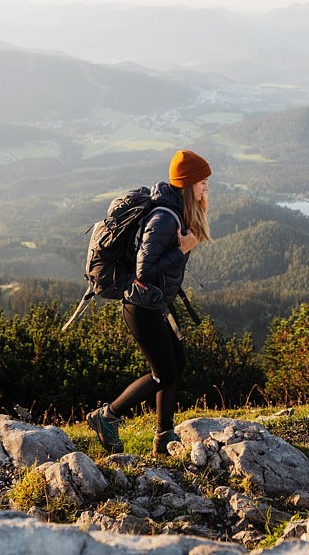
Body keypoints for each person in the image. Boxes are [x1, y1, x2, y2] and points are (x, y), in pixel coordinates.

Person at [86, 149, 212, 455]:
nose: (206, 187)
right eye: (202, 182)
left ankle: (163, 437)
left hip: (155, 304)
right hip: (140, 307)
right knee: (162, 373)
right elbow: (145, 272)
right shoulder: (164, 218)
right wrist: (182, 249)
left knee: (176, 363)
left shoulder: (177, 212)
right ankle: (107, 416)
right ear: (187, 184)